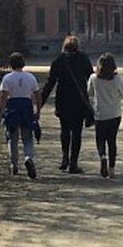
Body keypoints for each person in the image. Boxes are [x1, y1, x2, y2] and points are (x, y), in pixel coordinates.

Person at [39, 35, 95, 174]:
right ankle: (73, 163)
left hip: (63, 99)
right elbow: (91, 78)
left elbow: (50, 83)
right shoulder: (83, 59)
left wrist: (40, 103)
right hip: (79, 100)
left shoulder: (59, 60)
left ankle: (65, 158)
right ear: (78, 47)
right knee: (77, 132)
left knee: (64, 130)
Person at [0, 52, 40, 179]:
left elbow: (3, 97)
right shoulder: (30, 77)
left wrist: (0, 116)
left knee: (12, 138)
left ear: (10, 64)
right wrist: (38, 111)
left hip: (12, 108)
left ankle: (13, 163)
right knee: (28, 137)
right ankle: (28, 157)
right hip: (26, 107)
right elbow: (37, 94)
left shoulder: (7, 78)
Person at [87, 53, 123, 179]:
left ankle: (102, 156)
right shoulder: (117, 79)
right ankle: (112, 169)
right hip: (115, 113)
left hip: (100, 113)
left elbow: (89, 92)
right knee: (112, 140)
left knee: (100, 139)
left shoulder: (94, 78)